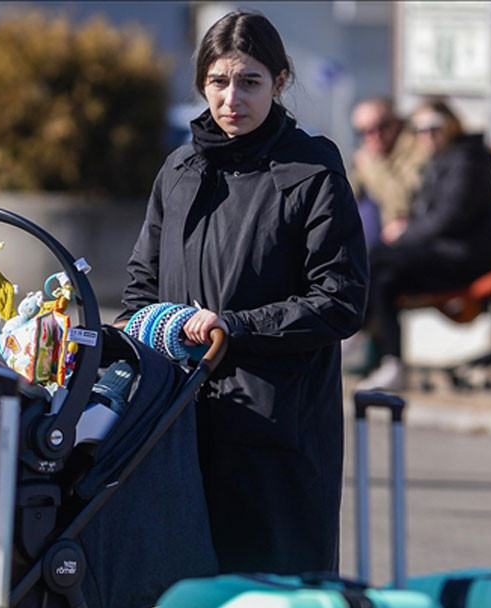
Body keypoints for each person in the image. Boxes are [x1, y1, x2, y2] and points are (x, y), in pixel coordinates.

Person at [119, 10, 369, 575]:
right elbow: (141, 287)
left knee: (275, 603)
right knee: (192, 604)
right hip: (179, 425)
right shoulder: (179, 170)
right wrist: (147, 338)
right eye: (219, 81)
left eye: (250, 81)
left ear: (280, 82)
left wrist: (234, 326)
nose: (232, 98)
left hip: (276, 432)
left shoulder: (311, 170)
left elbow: (341, 298)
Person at [357, 98, 491, 391]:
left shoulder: (467, 161)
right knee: (385, 279)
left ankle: (354, 333)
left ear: (451, 124)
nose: (426, 134)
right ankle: (391, 364)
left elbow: (447, 219)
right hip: (440, 252)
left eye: (433, 127)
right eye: (419, 129)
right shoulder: (439, 160)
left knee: (377, 257)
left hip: (464, 256)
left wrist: (403, 237)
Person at [350, 96, 429, 247]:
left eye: (381, 127)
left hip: (414, 236)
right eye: (364, 132)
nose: (374, 136)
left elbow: (403, 204)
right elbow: (347, 197)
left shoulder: (417, 148)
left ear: (396, 123)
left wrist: (372, 167)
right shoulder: (369, 156)